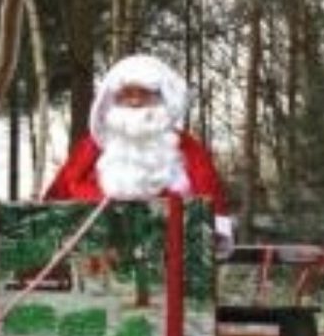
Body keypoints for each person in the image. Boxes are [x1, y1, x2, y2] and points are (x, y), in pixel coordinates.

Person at [45, 53, 233, 249]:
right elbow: (52, 209)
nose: (135, 102)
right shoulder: (88, 151)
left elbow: (213, 214)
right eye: (127, 93)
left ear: (162, 99)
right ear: (113, 100)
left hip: (171, 264)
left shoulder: (189, 151)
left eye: (145, 93)